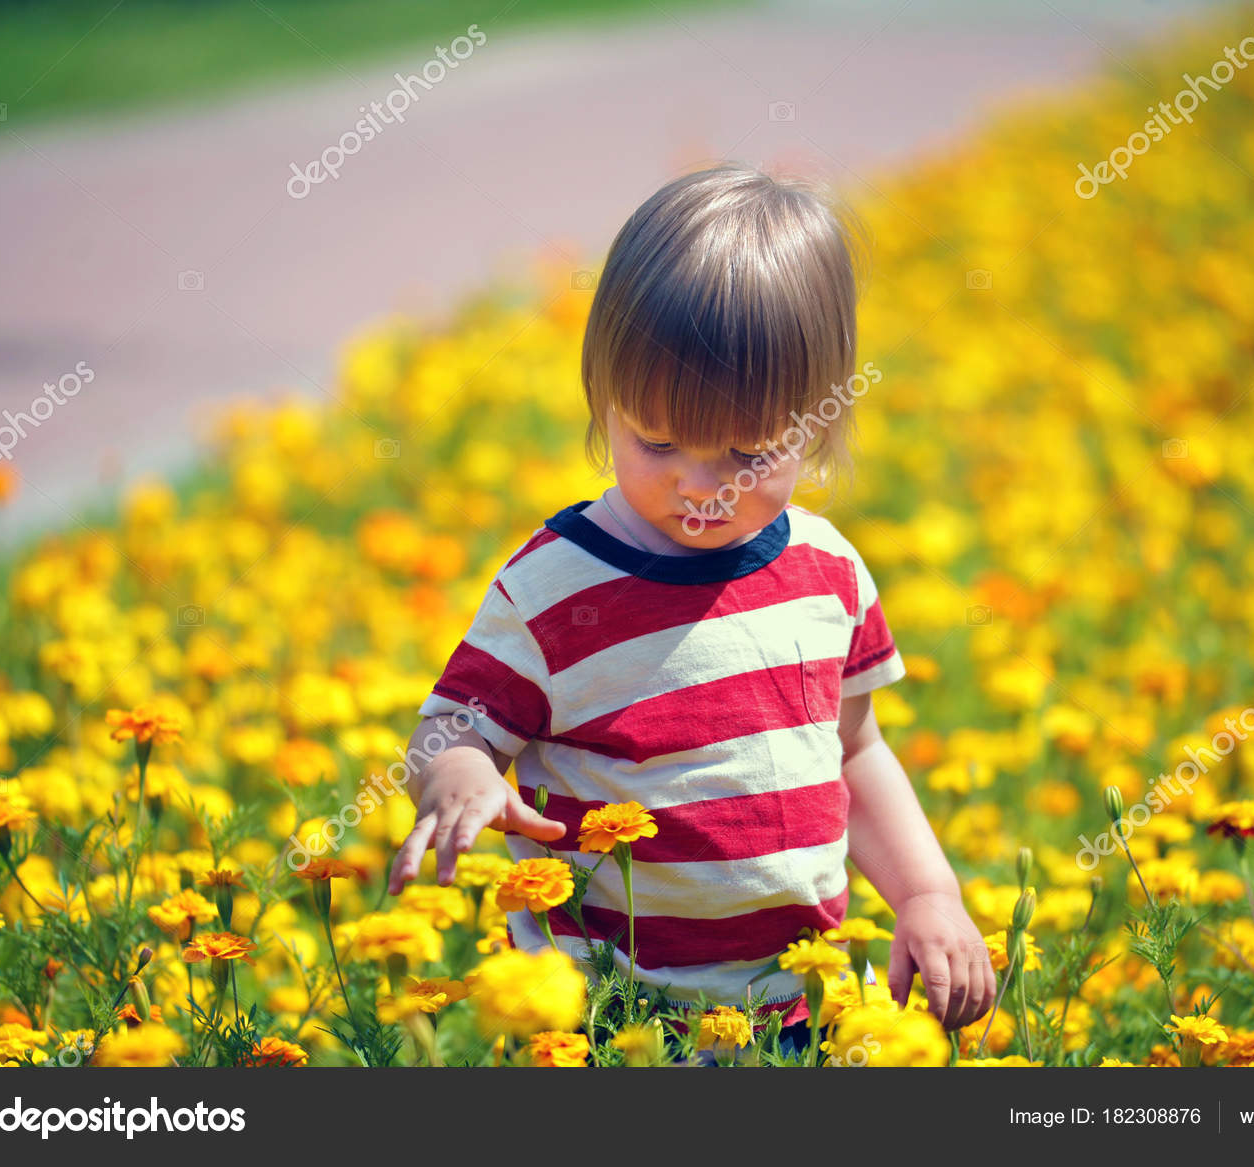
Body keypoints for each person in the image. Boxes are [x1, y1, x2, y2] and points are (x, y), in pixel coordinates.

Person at [387, 162, 994, 1051]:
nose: (696, 484)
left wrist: (928, 895)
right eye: (659, 440)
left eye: (748, 453)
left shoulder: (829, 569)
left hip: (802, 1005)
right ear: (603, 398)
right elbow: (449, 728)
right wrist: (463, 774)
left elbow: (855, 750)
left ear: (814, 426)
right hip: (609, 1017)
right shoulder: (554, 588)